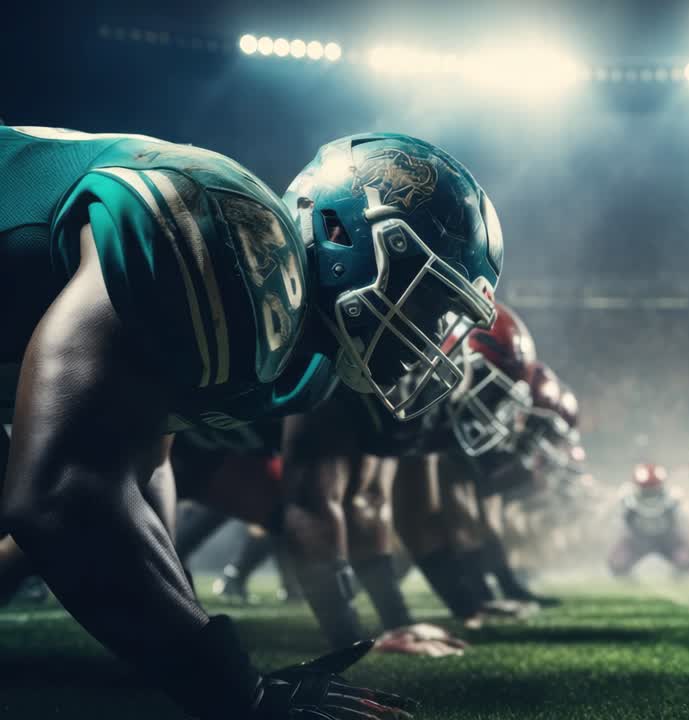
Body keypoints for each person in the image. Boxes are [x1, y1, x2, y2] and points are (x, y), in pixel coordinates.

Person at [0, 127, 501, 718]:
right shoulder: (232, 233)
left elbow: (144, 461)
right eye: (428, 296)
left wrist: (170, 630)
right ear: (341, 232)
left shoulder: (308, 368)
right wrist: (240, 694)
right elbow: (60, 495)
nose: (431, 336)